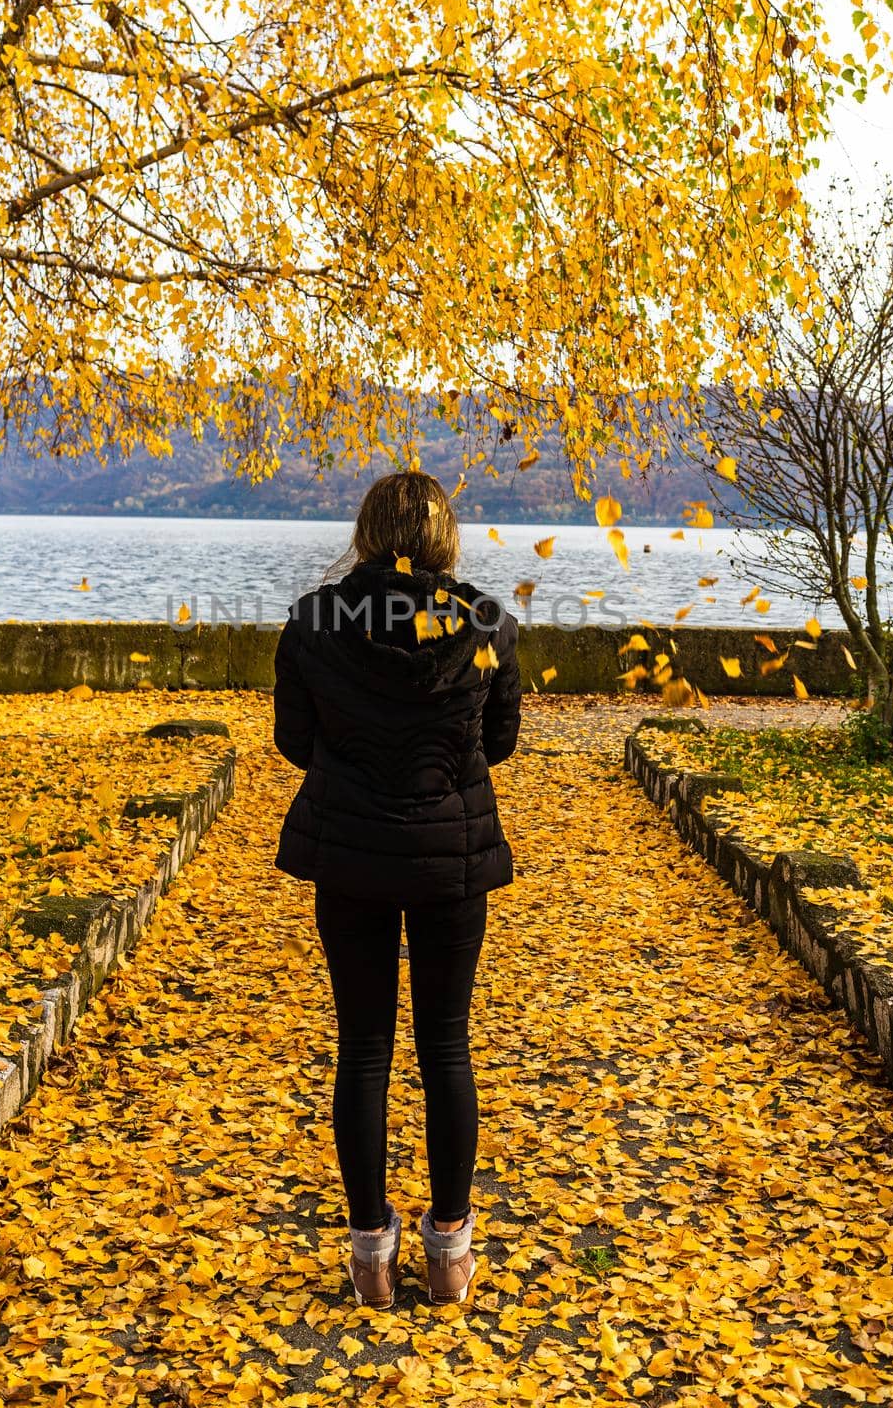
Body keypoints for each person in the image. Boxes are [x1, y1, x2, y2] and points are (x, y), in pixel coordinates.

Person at [272, 470, 521, 1308]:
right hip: (449, 854)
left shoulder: (314, 621)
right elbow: (500, 739)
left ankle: (369, 1255)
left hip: (350, 854)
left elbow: (293, 740)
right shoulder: (485, 623)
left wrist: (355, 775)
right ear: (444, 537)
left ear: (369, 530)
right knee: (445, 1046)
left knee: (364, 1048)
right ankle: (449, 1253)